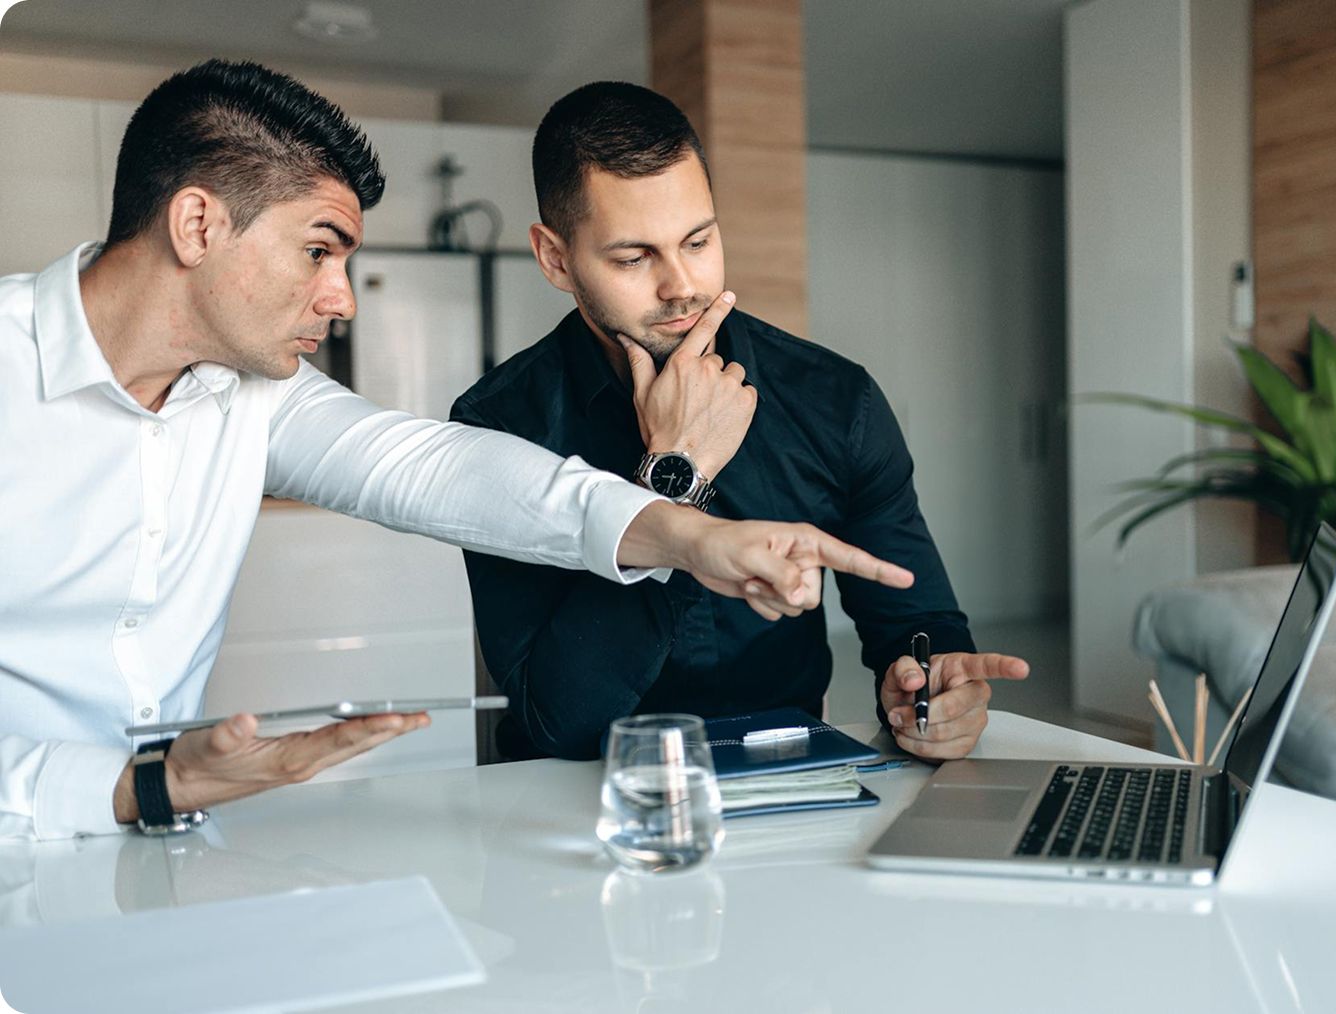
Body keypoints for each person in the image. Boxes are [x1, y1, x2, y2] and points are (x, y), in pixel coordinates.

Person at [0, 61, 913, 842]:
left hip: (150, 840)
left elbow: (438, 469)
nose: (342, 298)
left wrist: (689, 532)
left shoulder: (248, 394)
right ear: (198, 225)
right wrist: (136, 787)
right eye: (318, 251)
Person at [453, 82, 1028, 764]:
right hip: (574, 794)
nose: (681, 286)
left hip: (788, 772)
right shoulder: (499, 425)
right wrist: (676, 472)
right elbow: (557, 720)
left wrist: (927, 688)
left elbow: (916, 620)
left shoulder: (836, 400)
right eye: (634, 258)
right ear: (555, 258)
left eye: (698, 240)